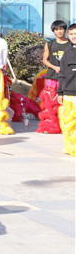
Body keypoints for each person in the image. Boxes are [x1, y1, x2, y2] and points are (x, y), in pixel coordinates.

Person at [39, 20, 71, 133]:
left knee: (65, 102)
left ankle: (65, 126)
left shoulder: (70, 43)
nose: (59, 31)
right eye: (56, 29)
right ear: (54, 31)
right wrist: (55, 68)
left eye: (61, 29)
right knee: (50, 102)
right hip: (52, 77)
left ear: (65, 30)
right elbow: (44, 60)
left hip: (68, 78)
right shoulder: (50, 44)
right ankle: (50, 126)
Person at [56, 23, 76, 156]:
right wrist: (60, 92)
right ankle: (71, 147)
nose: (74, 36)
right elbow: (62, 73)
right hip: (69, 93)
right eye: (72, 34)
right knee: (69, 121)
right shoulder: (67, 53)